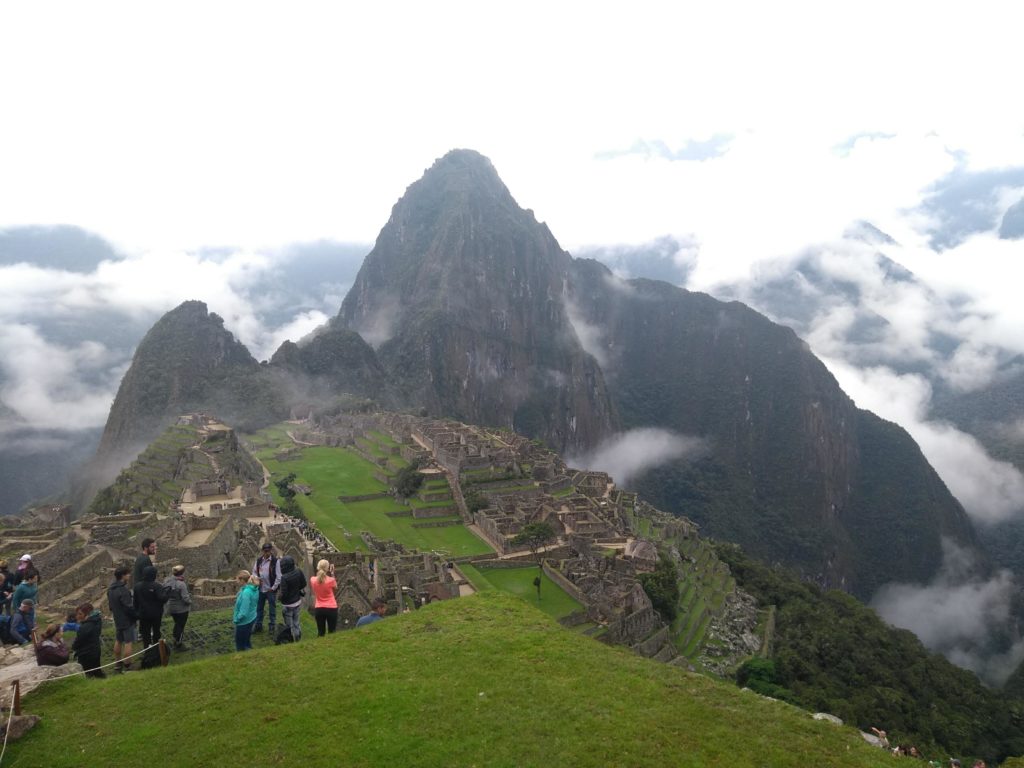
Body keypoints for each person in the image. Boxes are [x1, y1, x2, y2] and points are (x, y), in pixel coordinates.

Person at [107, 566, 138, 672]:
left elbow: (111, 606)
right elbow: (129, 607)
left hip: (117, 618)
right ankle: (128, 664)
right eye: (128, 574)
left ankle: (117, 663)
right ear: (123, 576)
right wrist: (136, 615)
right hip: (127, 620)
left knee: (119, 640)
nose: (129, 576)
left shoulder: (110, 589)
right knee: (128, 642)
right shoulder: (123, 590)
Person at [133, 565, 168, 651]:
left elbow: (135, 601)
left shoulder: (137, 586)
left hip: (143, 613)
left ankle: (147, 649)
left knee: (146, 633)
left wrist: (136, 612)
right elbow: (162, 599)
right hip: (156, 613)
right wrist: (167, 594)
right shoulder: (157, 586)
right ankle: (157, 648)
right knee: (156, 631)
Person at [251, 543, 281, 634]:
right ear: (262, 551)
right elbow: (254, 572)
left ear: (271, 550)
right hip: (261, 589)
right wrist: (257, 579)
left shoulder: (276, 562)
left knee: (272, 608)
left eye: (268, 550)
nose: (267, 552)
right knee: (259, 608)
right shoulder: (259, 561)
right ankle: (258, 625)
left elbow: (279, 577)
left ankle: (272, 625)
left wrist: (273, 588)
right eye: (265, 551)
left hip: (270, 590)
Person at [71, 602, 105, 678]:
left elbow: (79, 641)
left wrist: (73, 647)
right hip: (95, 649)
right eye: (77, 614)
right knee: (97, 670)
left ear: (87, 614)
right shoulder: (97, 621)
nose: (77, 616)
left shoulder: (86, 626)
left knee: (87, 674)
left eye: (80, 614)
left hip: (86, 653)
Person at [277, 556, 306, 643]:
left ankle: (290, 640)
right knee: (296, 622)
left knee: (289, 625)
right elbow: (303, 584)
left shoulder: (284, 578)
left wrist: (279, 598)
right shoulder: (298, 571)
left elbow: (284, 594)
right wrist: (296, 590)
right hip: (297, 601)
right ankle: (298, 638)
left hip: (288, 604)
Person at [163, 564, 192, 649]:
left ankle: (175, 639)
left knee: (177, 624)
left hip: (171, 607)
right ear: (182, 573)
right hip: (181, 609)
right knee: (181, 625)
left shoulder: (167, 581)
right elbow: (185, 598)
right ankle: (179, 643)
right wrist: (190, 602)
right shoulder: (181, 584)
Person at [311, 559, 338, 636]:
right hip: (331, 607)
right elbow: (336, 587)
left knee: (320, 632)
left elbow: (319, 579)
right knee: (332, 631)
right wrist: (332, 573)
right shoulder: (331, 580)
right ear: (327, 568)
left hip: (319, 608)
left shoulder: (312, 580)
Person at [233, 571, 259, 651]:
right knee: (246, 640)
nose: (236, 581)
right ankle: (250, 652)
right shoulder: (253, 588)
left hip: (244, 622)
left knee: (240, 645)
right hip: (251, 617)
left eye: (237, 579)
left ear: (242, 580)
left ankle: (242, 658)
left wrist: (237, 619)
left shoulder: (246, 593)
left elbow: (243, 611)